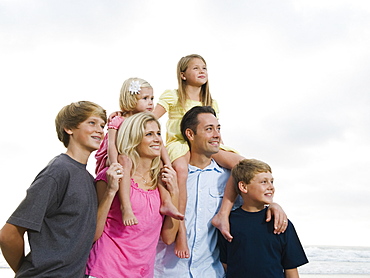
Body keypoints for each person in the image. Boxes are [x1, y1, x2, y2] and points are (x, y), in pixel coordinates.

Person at [154, 106, 288, 277]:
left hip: (210, 272)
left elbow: (252, 207)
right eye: (209, 129)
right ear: (190, 134)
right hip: (167, 272)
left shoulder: (228, 179)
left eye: (218, 128)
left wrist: (273, 205)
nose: (216, 134)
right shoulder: (172, 173)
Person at [0, 101, 122, 277]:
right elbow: (8, 235)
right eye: (92, 123)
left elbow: (91, 235)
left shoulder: (89, 180)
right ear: (69, 128)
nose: (100, 130)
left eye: (102, 125)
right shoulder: (58, 171)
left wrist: (110, 191)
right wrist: (28, 272)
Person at [153, 54, 246, 259]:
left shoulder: (210, 101)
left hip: (204, 142)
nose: (202, 71)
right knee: (182, 171)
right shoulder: (172, 95)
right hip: (180, 143)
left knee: (242, 165)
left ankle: (222, 215)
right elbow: (149, 118)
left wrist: (219, 145)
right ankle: (182, 230)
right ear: (183, 74)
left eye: (204, 67)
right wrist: (125, 115)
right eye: (195, 68)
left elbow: (213, 128)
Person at [86, 112, 181, 278]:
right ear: (133, 138)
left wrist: (175, 192)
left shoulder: (161, 181)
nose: (157, 139)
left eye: (158, 133)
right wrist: (110, 192)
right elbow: (92, 233)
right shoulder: (112, 176)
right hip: (106, 270)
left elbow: (168, 237)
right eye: (149, 134)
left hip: (142, 273)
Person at [95, 77, 182, 226]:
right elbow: (112, 146)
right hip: (114, 157)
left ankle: (167, 201)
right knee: (125, 160)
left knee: (158, 163)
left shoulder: (147, 121)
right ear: (130, 99)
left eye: (152, 98)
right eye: (145, 98)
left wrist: (167, 164)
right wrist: (115, 164)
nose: (150, 103)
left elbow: (160, 145)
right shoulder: (118, 120)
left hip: (134, 157)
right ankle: (126, 206)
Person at [218, 159, 308, 277]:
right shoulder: (228, 223)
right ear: (243, 187)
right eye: (264, 182)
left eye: (272, 181)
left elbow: (291, 269)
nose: (271, 187)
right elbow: (225, 264)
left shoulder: (280, 222)